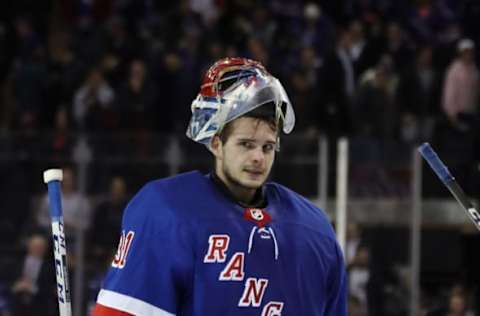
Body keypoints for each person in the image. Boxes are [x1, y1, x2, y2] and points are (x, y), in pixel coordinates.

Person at [92, 57, 347, 315]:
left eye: (267, 147)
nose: (258, 157)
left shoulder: (314, 229)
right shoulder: (167, 213)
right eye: (246, 144)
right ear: (216, 144)